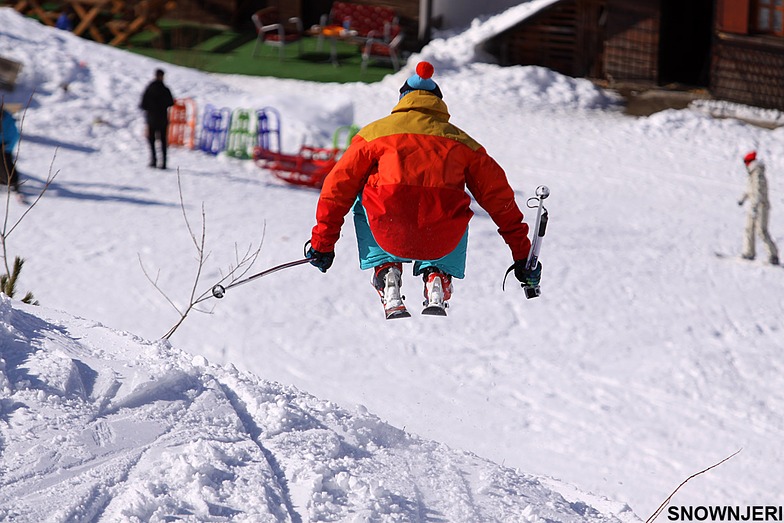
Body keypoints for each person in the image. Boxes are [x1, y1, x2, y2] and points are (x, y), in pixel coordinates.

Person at [305, 61, 541, 318]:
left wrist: (322, 244)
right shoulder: (463, 143)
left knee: (364, 196)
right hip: (441, 241)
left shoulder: (374, 135)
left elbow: (336, 189)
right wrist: (522, 255)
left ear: (402, 100)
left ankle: (386, 271)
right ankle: (437, 276)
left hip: (387, 233)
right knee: (454, 204)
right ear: (438, 103)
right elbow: (500, 200)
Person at [738, 151, 779, 265]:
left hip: (761, 206)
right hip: (753, 205)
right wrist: (743, 199)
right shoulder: (752, 173)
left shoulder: (758, 173)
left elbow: (759, 192)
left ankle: (773, 255)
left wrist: (755, 206)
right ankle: (749, 252)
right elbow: (750, 190)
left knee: (761, 230)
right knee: (749, 228)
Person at [140, 68, 174, 169]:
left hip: (151, 118)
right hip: (163, 118)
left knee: (151, 140)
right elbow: (171, 102)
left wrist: (150, 108)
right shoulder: (165, 89)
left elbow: (143, 104)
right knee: (163, 140)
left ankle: (153, 160)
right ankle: (163, 163)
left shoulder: (150, 88)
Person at [0, 107, 22, 196]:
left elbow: (13, 135)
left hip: (6, 146)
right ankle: (3, 181)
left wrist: (6, 145)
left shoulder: (7, 119)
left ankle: (14, 183)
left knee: (6, 163)